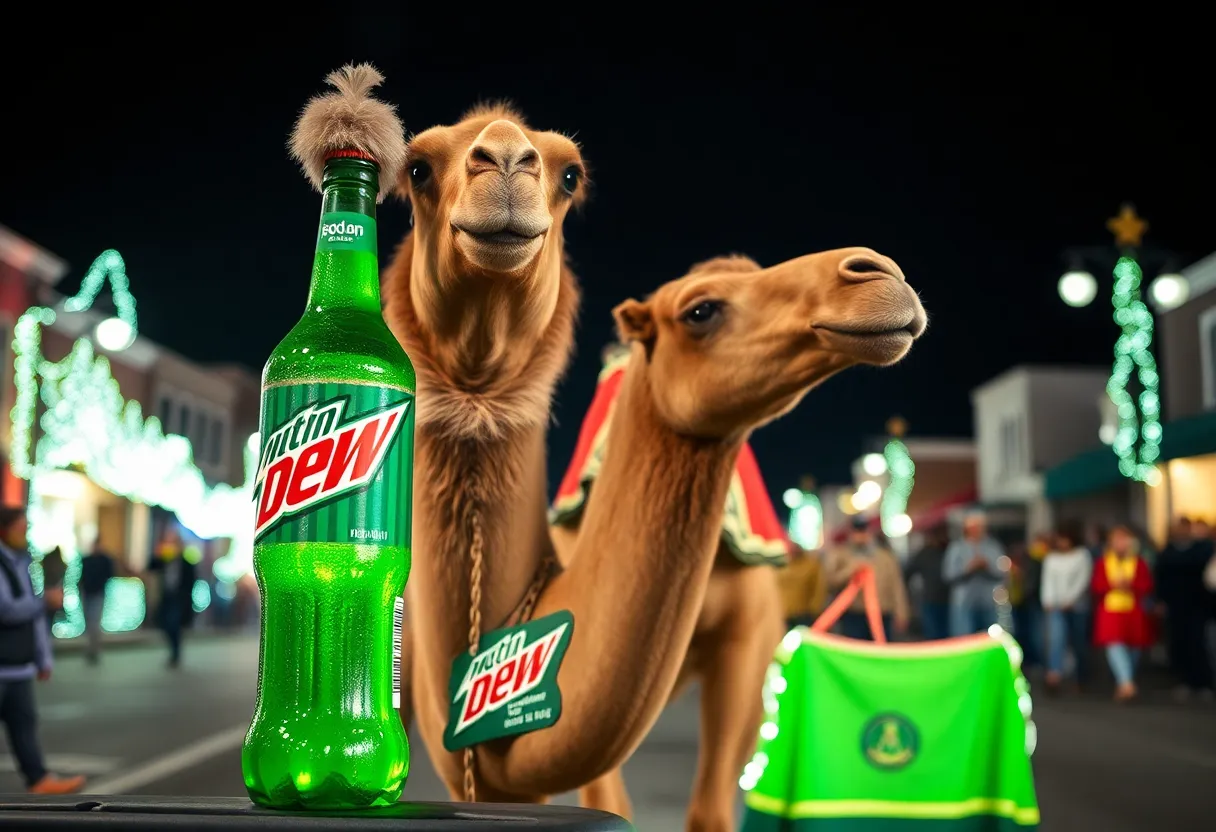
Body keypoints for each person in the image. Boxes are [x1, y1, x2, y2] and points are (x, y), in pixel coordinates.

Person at [0, 507, 87, 794]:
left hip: (18, 664)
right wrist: (44, 601)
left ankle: (38, 779)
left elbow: (33, 618)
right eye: (19, 528)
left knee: (23, 724)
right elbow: (7, 609)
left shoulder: (22, 562)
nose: (23, 534)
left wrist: (42, 657)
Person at [1092, 525, 1155, 703]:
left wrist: (1130, 585)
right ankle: (1127, 683)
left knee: (1133, 650)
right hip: (1111, 611)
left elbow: (1147, 586)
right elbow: (1097, 586)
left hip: (1133, 611)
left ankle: (1124, 683)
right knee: (1114, 646)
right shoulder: (1103, 562)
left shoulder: (1139, 562)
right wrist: (1113, 585)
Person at [823, 517, 909, 641]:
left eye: (863, 531)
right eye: (857, 532)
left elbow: (896, 585)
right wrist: (849, 570)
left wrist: (902, 611)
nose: (861, 536)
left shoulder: (885, 557)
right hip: (854, 613)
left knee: (880, 650)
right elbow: (831, 582)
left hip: (882, 611)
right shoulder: (840, 555)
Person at [1040, 521, 1093, 693]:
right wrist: (1047, 600)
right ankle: (1054, 675)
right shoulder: (1051, 558)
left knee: (1078, 642)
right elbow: (1048, 581)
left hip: (1076, 606)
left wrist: (1070, 599)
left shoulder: (1082, 555)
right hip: (1055, 606)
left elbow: (1083, 580)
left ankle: (1081, 676)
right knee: (1056, 640)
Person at [943, 512, 1006, 636]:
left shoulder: (993, 547)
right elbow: (948, 575)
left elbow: (1002, 571)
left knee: (989, 638)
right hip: (964, 603)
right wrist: (968, 569)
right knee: (964, 639)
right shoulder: (956, 548)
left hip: (988, 602)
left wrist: (987, 567)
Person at [147, 526, 196, 668]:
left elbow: (191, 581)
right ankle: (174, 649)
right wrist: (158, 553)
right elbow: (151, 566)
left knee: (173, 624)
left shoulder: (187, 563)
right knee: (165, 624)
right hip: (166, 597)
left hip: (179, 599)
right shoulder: (164, 560)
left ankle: (175, 653)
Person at [904, 524, 951, 640]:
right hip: (930, 600)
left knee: (947, 635)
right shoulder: (924, 553)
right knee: (932, 635)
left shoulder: (949, 551)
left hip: (949, 600)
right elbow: (908, 573)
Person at [78, 541, 116, 666]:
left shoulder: (105, 560)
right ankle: (92, 647)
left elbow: (110, 574)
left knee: (94, 622)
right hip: (87, 593)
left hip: (97, 593)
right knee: (89, 622)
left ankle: (93, 649)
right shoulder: (87, 560)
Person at [776, 544, 826, 630]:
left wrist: (815, 610)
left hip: (802, 614)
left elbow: (818, 590)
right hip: (781, 612)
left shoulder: (811, 565)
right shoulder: (779, 565)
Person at [38, 547, 66, 636]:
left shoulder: (48, 561)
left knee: (46, 618)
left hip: (48, 591)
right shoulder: (60, 564)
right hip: (56, 592)